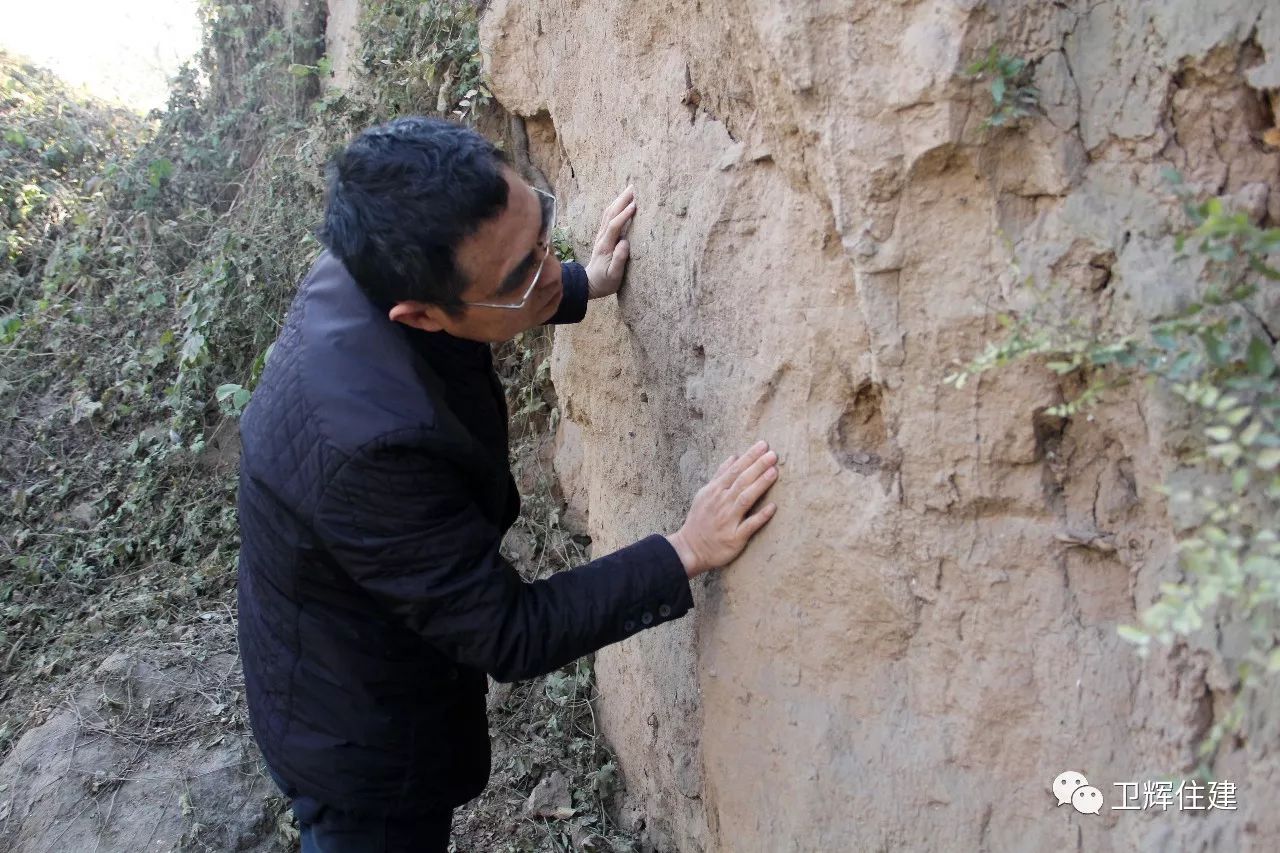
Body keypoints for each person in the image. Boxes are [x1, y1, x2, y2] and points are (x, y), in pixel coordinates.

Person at [235, 116, 779, 852]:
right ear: (420, 314)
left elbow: (490, 295)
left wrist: (585, 282)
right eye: (524, 275)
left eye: (542, 226)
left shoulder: (378, 259)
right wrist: (685, 548)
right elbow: (509, 630)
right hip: (354, 741)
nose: (547, 269)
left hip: (363, 638)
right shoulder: (371, 452)